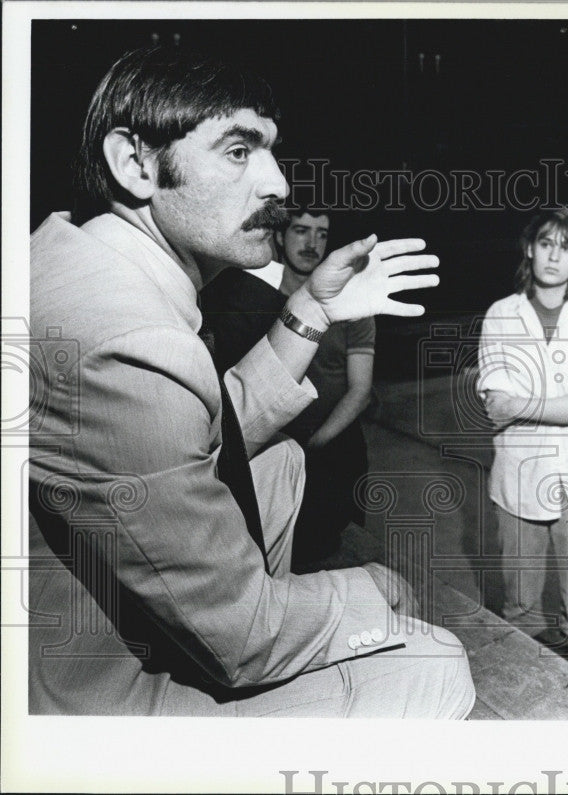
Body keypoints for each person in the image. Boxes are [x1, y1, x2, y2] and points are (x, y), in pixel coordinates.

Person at [28, 45, 474, 717]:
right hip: (100, 698)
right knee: (438, 665)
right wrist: (368, 588)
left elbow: (204, 431)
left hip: (94, 615)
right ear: (135, 164)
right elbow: (242, 636)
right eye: (238, 151)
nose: (279, 186)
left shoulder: (76, 253)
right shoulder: (124, 344)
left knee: (282, 459)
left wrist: (313, 309)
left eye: (269, 150)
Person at [477, 208, 568, 679]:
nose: (554, 256)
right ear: (529, 248)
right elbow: (496, 402)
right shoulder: (502, 313)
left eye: (566, 246)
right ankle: (520, 689)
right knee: (520, 603)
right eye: (546, 243)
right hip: (519, 479)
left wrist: (559, 405)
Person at [202, 205, 375, 571]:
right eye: (301, 230)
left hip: (331, 446)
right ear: (280, 237)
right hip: (266, 444)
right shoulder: (249, 298)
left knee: (326, 552)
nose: (311, 243)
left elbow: (360, 392)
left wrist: (316, 444)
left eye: (321, 234)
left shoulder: (351, 303)